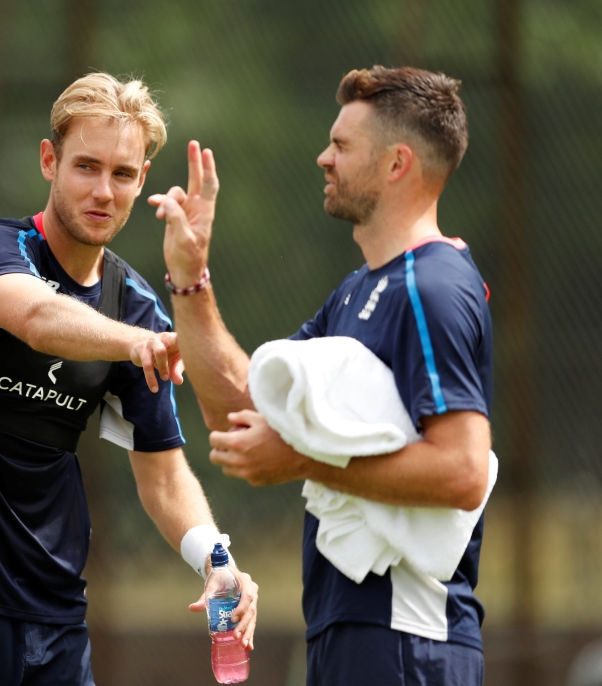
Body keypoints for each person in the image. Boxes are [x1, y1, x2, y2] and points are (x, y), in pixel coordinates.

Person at [0, 72, 257, 686]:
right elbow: (39, 318)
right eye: (86, 167)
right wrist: (138, 342)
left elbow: (164, 474)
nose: (103, 191)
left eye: (122, 174)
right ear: (50, 161)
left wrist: (216, 559)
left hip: (52, 617)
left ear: (142, 179)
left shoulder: (137, 304)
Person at [149, 65, 492, 685]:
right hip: (350, 640)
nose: (323, 158)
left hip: (408, 645)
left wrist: (303, 460)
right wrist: (190, 277)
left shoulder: (432, 288)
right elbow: (238, 411)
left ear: (397, 165)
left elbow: (463, 472)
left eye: (341, 146)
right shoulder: (360, 291)